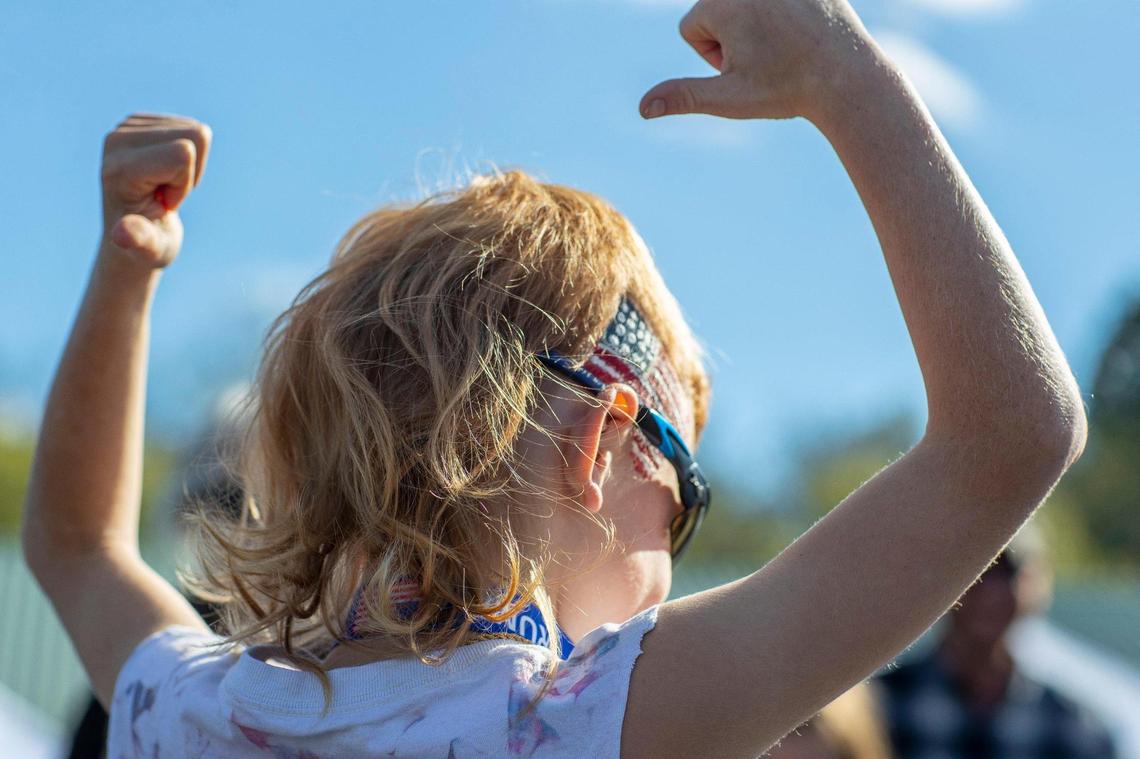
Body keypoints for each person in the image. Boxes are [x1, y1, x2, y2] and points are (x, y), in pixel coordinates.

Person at [21, 0, 1088, 756]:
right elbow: (1013, 436)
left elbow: (72, 545)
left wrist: (127, 263)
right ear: (601, 447)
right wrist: (844, 72)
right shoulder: (581, 722)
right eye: (683, 498)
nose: (675, 565)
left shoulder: (193, 712)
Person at [876, 529, 1117, 757]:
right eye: (976, 573)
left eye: (1007, 574)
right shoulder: (879, 709)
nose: (991, 592)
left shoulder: (1072, 726)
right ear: (941, 583)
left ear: (1035, 586)